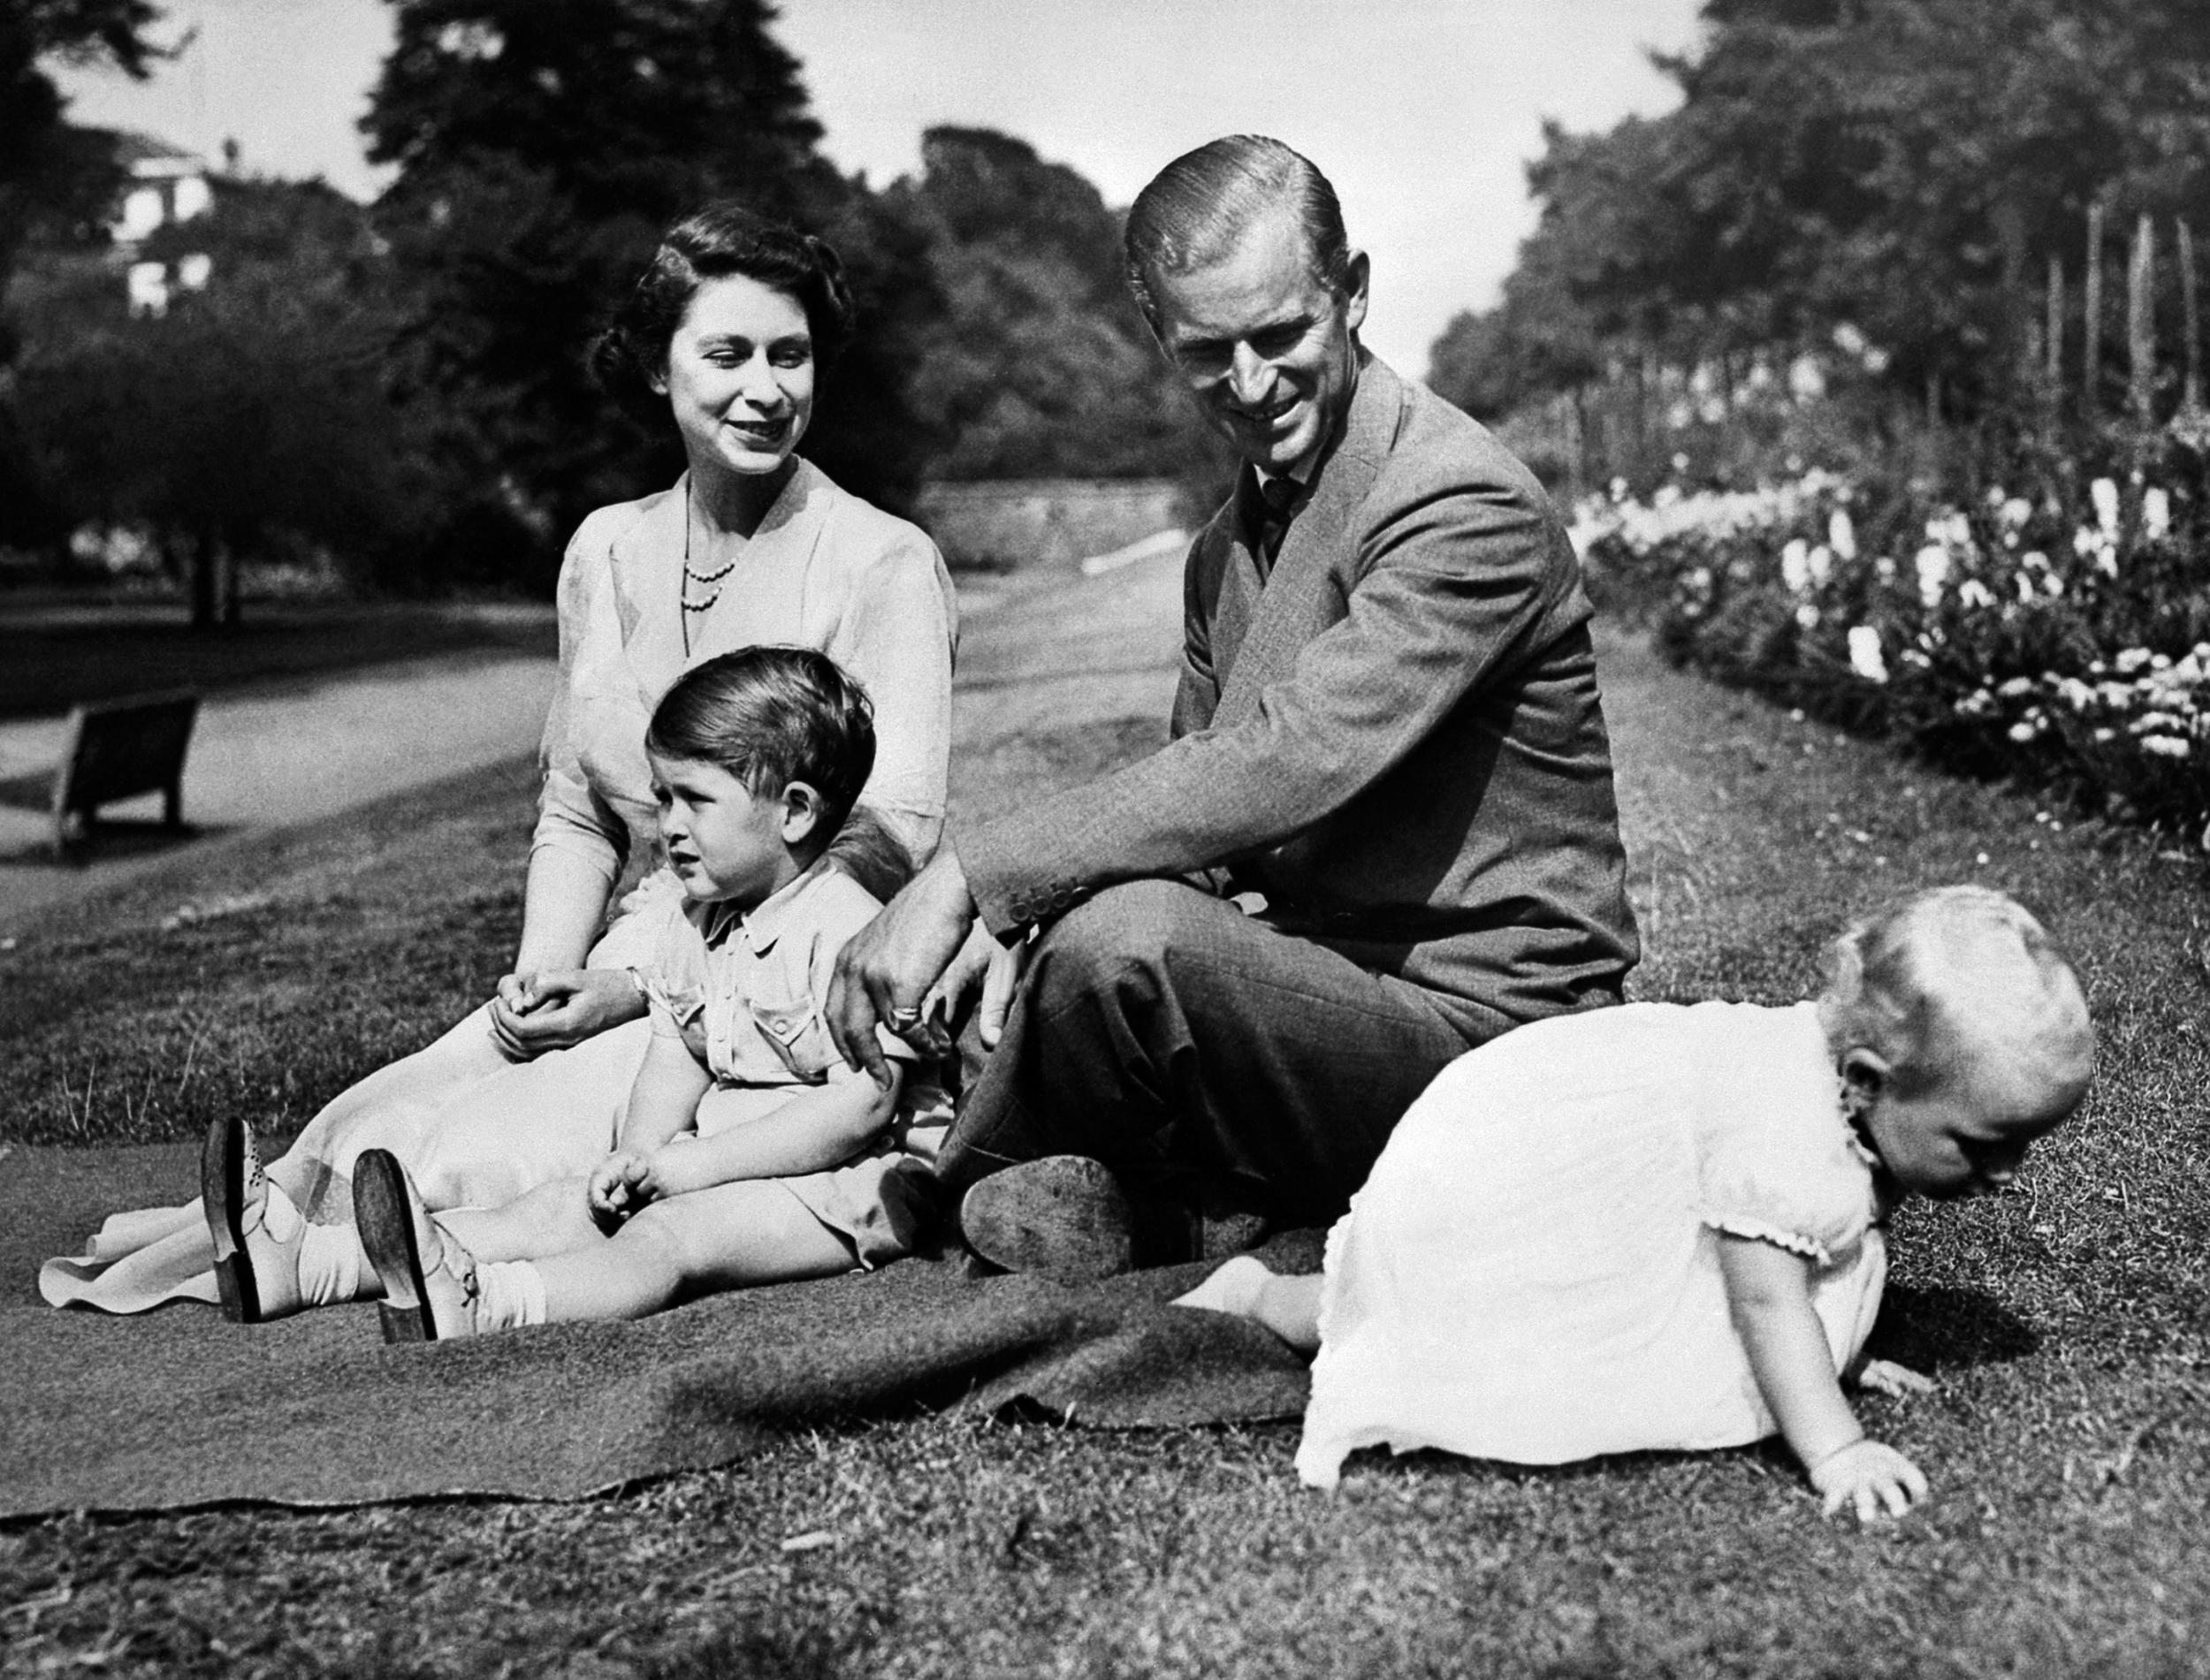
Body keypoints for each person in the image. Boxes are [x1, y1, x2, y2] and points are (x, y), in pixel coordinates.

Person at [42, 203, 957, 1318]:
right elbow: (577, 809)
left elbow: (888, 840)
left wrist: (632, 990)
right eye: (726, 354)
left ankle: (355, 1265)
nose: (764, 387)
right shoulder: (603, 548)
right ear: (659, 370)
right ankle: (282, 1241)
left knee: (471, 1148)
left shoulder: (882, 561)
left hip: (772, 988)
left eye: (790, 353)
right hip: (620, 953)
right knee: (380, 1112)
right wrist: (542, 981)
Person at [829, 135, 1638, 1277]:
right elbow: (1199, 838)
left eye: (1282, 335)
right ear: (1162, 337)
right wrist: (1015, 928)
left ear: (1352, 292)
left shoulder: (1458, 499)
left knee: (1124, 937)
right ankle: (1151, 1198)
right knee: (1086, 926)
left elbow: (1283, 761)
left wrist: (975, 876)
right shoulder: (1225, 547)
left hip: (1498, 1042)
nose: (1251, 385)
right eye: (1210, 352)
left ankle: (962, 1190)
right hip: (1323, 997)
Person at [1171, 886, 2096, 1520]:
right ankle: (1258, 1294)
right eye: (1981, 1142)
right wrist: (1836, 1444)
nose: (2009, 1169)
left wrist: (1845, 1346)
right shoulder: (1788, 1136)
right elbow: (1768, 1300)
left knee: (1456, 1314)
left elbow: (1822, 1257)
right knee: (1443, 1319)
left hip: (1607, 1182)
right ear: (1865, 1078)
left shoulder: (1853, 1104)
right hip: (1517, 1189)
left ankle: (1281, 1294)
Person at [205, 648, 942, 1336]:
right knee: (555, 1203)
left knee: (670, 1238)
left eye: (694, 800)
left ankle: (491, 1304)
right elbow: (676, 1046)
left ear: (796, 811)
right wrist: (638, 1155)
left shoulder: (850, 927)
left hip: (857, 1184)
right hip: (727, 1154)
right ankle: (310, 1264)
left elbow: (862, 1104)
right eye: (661, 797)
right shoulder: (698, 918)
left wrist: (690, 1168)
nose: (669, 826)